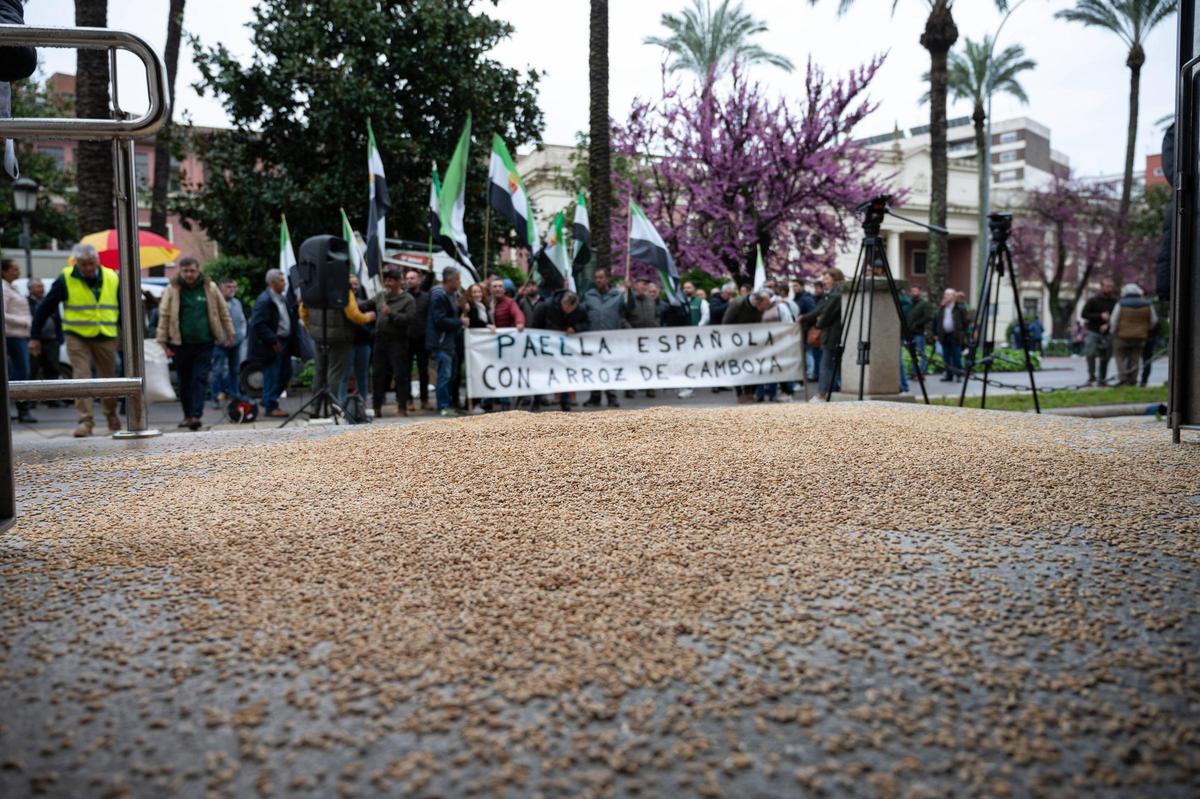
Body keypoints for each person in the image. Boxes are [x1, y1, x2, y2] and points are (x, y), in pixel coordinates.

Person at [30, 243, 122, 437]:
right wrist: (35, 336)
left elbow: (122, 307)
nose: (88, 268)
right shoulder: (66, 278)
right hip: (77, 335)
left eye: (91, 263)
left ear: (97, 261)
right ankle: (85, 421)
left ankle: (111, 414)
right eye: (83, 264)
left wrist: (128, 335)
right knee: (81, 376)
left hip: (105, 334)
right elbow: (45, 307)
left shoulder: (112, 277)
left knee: (109, 378)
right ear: (76, 262)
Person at [155, 257, 234, 430]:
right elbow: (164, 315)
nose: (189, 274)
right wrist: (161, 340)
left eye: (192, 271)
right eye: (185, 271)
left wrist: (229, 333)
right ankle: (188, 415)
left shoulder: (210, 288)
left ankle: (196, 415)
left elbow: (222, 311)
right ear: (180, 272)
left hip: (205, 342)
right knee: (184, 381)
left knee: (200, 378)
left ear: (198, 271)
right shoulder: (172, 289)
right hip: (180, 343)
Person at [299, 269, 376, 417]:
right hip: (339, 338)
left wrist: (312, 328)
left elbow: (303, 311)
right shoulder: (343, 290)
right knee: (335, 372)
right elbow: (353, 314)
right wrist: (368, 317)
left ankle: (315, 409)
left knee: (319, 372)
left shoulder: (312, 289)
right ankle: (332, 408)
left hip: (318, 337)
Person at [359, 268, 414, 418]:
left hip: (398, 341)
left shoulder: (407, 299)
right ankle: (376, 407)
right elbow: (364, 305)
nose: (388, 283)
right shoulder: (380, 296)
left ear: (399, 282)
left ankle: (402, 407)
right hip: (380, 340)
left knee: (400, 374)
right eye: (386, 280)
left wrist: (391, 313)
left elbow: (408, 319)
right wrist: (349, 301)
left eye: (391, 280)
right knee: (378, 374)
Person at [248, 268, 299, 418]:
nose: (285, 283)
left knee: (286, 373)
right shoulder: (264, 300)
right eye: (281, 281)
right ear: (272, 283)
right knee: (272, 374)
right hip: (273, 344)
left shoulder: (280, 297)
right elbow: (258, 323)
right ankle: (271, 406)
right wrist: (273, 340)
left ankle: (268, 400)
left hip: (285, 342)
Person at [531, 290, 588, 412]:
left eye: (571, 309)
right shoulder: (545, 306)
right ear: (562, 302)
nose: (568, 311)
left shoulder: (580, 309)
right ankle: (537, 400)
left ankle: (565, 401)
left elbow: (586, 323)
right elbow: (535, 326)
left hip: (565, 348)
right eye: (566, 308)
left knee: (564, 373)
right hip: (546, 346)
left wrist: (575, 328)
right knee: (541, 373)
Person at [579, 267, 623, 408]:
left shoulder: (618, 295)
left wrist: (629, 292)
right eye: (596, 277)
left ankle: (612, 397)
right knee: (594, 367)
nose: (598, 280)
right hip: (593, 339)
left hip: (611, 340)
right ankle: (595, 397)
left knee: (610, 367)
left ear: (607, 279)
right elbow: (580, 312)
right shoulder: (588, 296)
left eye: (601, 277)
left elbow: (629, 307)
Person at [800, 268, 844, 402]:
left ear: (835, 279)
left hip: (832, 334)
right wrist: (806, 318)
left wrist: (818, 324)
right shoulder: (831, 294)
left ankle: (822, 394)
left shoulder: (835, 295)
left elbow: (826, 314)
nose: (823, 281)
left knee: (826, 365)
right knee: (832, 365)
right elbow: (819, 310)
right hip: (832, 334)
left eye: (826, 278)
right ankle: (831, 391)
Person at [427, 266, 465, 417]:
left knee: (451, 374)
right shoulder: (439, 295)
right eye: (458, 279)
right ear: (450, 280)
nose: (460, 282)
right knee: (444, 375)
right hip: (441, 342)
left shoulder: (451, 294)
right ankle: (442, 405)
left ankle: (447, 403)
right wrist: (460, 322)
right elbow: (440, 320)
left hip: (449, 342)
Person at [3, 258, 34, 423]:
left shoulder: (12, 287)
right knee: (21, 373)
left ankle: (20, 409)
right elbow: (3, 313)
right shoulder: (4, 288)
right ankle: (23, 410)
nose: (18, 271)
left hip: (18, 336)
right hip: (13, 336)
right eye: (14, 269)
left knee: (17, 373)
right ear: (4, 271)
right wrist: (24, 321)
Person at [1109, 282, 1158, 387]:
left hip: (1122, 335)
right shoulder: (1148, 304)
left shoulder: (1121, 304)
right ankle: (1133, 380)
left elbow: (1114, 320)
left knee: (1119, 357)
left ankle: (1123, 378)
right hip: (1140, 336)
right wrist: (1146, 329)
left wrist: (1113, 331)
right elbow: (1153, 320)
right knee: (1135, 358)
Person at [337, 275, 374, 408]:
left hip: (363, 342)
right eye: (351, 284)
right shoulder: (342, 300)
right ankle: (341, 406)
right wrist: (367, 318)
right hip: (348, 343)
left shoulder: (363, 299)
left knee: (362, 376)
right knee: (344, 376)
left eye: (356, 284)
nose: (354, 286)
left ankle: (362, 405)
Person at [209, 277, 247, 407]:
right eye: (229, 287)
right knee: (217, 371)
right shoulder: (214, 303)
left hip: (236, 343)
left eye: (234, 287)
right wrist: (219, 339)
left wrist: (241, 336)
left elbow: (242, 321)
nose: (232, 290)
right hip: (220, 344)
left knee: (235, 370)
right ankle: (215, 398)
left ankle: (234, 394)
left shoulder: (237, 303)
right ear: (221, 288)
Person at [26, 277, 63, 405]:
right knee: (33, 370)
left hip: (52, 340)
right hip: (35, 341)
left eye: (42, 286)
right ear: (30, 289)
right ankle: (31, 400)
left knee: (53, 370)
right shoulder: (27, 303)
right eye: (38, 286)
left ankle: (52, 400)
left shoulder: (49, 300)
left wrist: (60, 337)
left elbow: (58, 320)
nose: (41, 289)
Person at [404, 269, 433, 412]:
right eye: (408, 278)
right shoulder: (403, 297)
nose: (410, 280)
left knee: (423, 371)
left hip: (422, 338)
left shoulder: (426, 297)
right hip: (406, 339)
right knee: (406, 371)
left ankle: (424, 400)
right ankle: (408, 400)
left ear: (419, 280)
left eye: (412, 278)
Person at [1080, 278, 1117, 386]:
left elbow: (1117, 316)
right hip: (1093, 330)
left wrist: (1108, 324)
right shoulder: (1093, 300)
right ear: (1102, 287)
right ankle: (1091, 376)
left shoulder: (1115, 301)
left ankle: (1102, 378)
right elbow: (1084, 314)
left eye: (1111, 286)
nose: (1109, 289)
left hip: (1108, 331)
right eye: (1107, 286)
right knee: (1090, 353)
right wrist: (1099, 316)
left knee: (1106, 355)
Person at [937, 288, 968, 382]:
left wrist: (961, 332)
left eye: (948, 294)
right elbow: (938, 320)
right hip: (945, 335)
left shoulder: (959, 308)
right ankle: (949, 375)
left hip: (955, 335)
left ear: (954, 296)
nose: (945, 296)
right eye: (945, 294)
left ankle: (958, 375)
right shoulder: (943, 308)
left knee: (956, 356)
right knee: (946, 356)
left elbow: (965, 322)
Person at [904, 286, 934, 378]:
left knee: (921, 352)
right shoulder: (910, 303)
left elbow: (928, 317)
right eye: (912, 291)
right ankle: (914, 371)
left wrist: (917, 324)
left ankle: (921, 372)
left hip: (919, 332)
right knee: (913, 353)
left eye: (915, 291)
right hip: (910, 332)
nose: (913, 293)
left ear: (920, 292)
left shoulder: (924, 304)